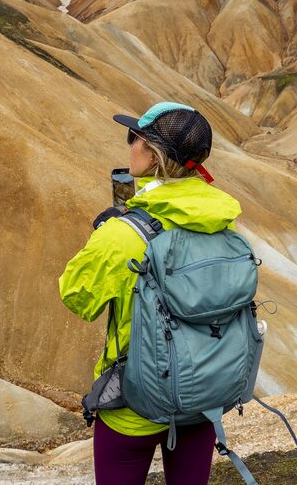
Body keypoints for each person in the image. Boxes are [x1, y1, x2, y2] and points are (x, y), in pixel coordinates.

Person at [59, 101, 242, 485]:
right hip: (202, 397)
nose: (129, 146)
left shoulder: (122, 235)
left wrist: (104, 236)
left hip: (134, 404)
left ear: (155, 156)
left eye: (134, 137)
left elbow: (77, 297)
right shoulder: (223, 226)